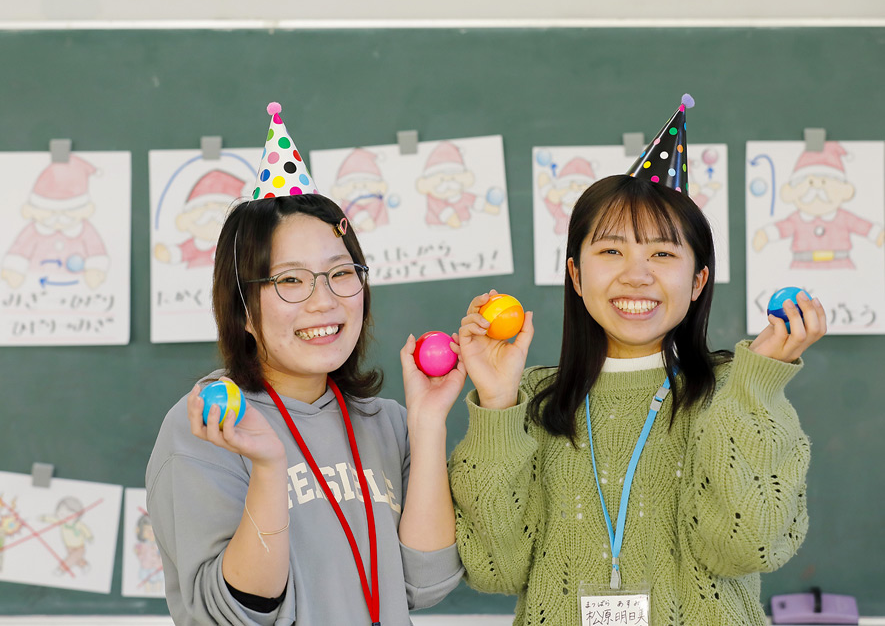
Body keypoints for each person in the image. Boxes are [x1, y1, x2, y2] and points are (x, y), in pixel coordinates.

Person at [449, 98, 826, 625]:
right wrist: (496, 402)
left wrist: (755, 387)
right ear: (577, 277)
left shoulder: (733, 390)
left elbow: (749, 546)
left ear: (698, 282)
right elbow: (494, 568)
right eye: (611, 252)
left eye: (663, 254)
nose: (636, 275)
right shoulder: (532, 399)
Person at [146, 103, 464, 625]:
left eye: (341, 273)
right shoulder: (208, 423)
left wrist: (427, 426)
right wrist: (270, 469)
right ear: (244, 309)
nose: (325, 302)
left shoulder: (384, 423)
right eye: (291, 280)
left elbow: (425, 583)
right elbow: (235, 615)